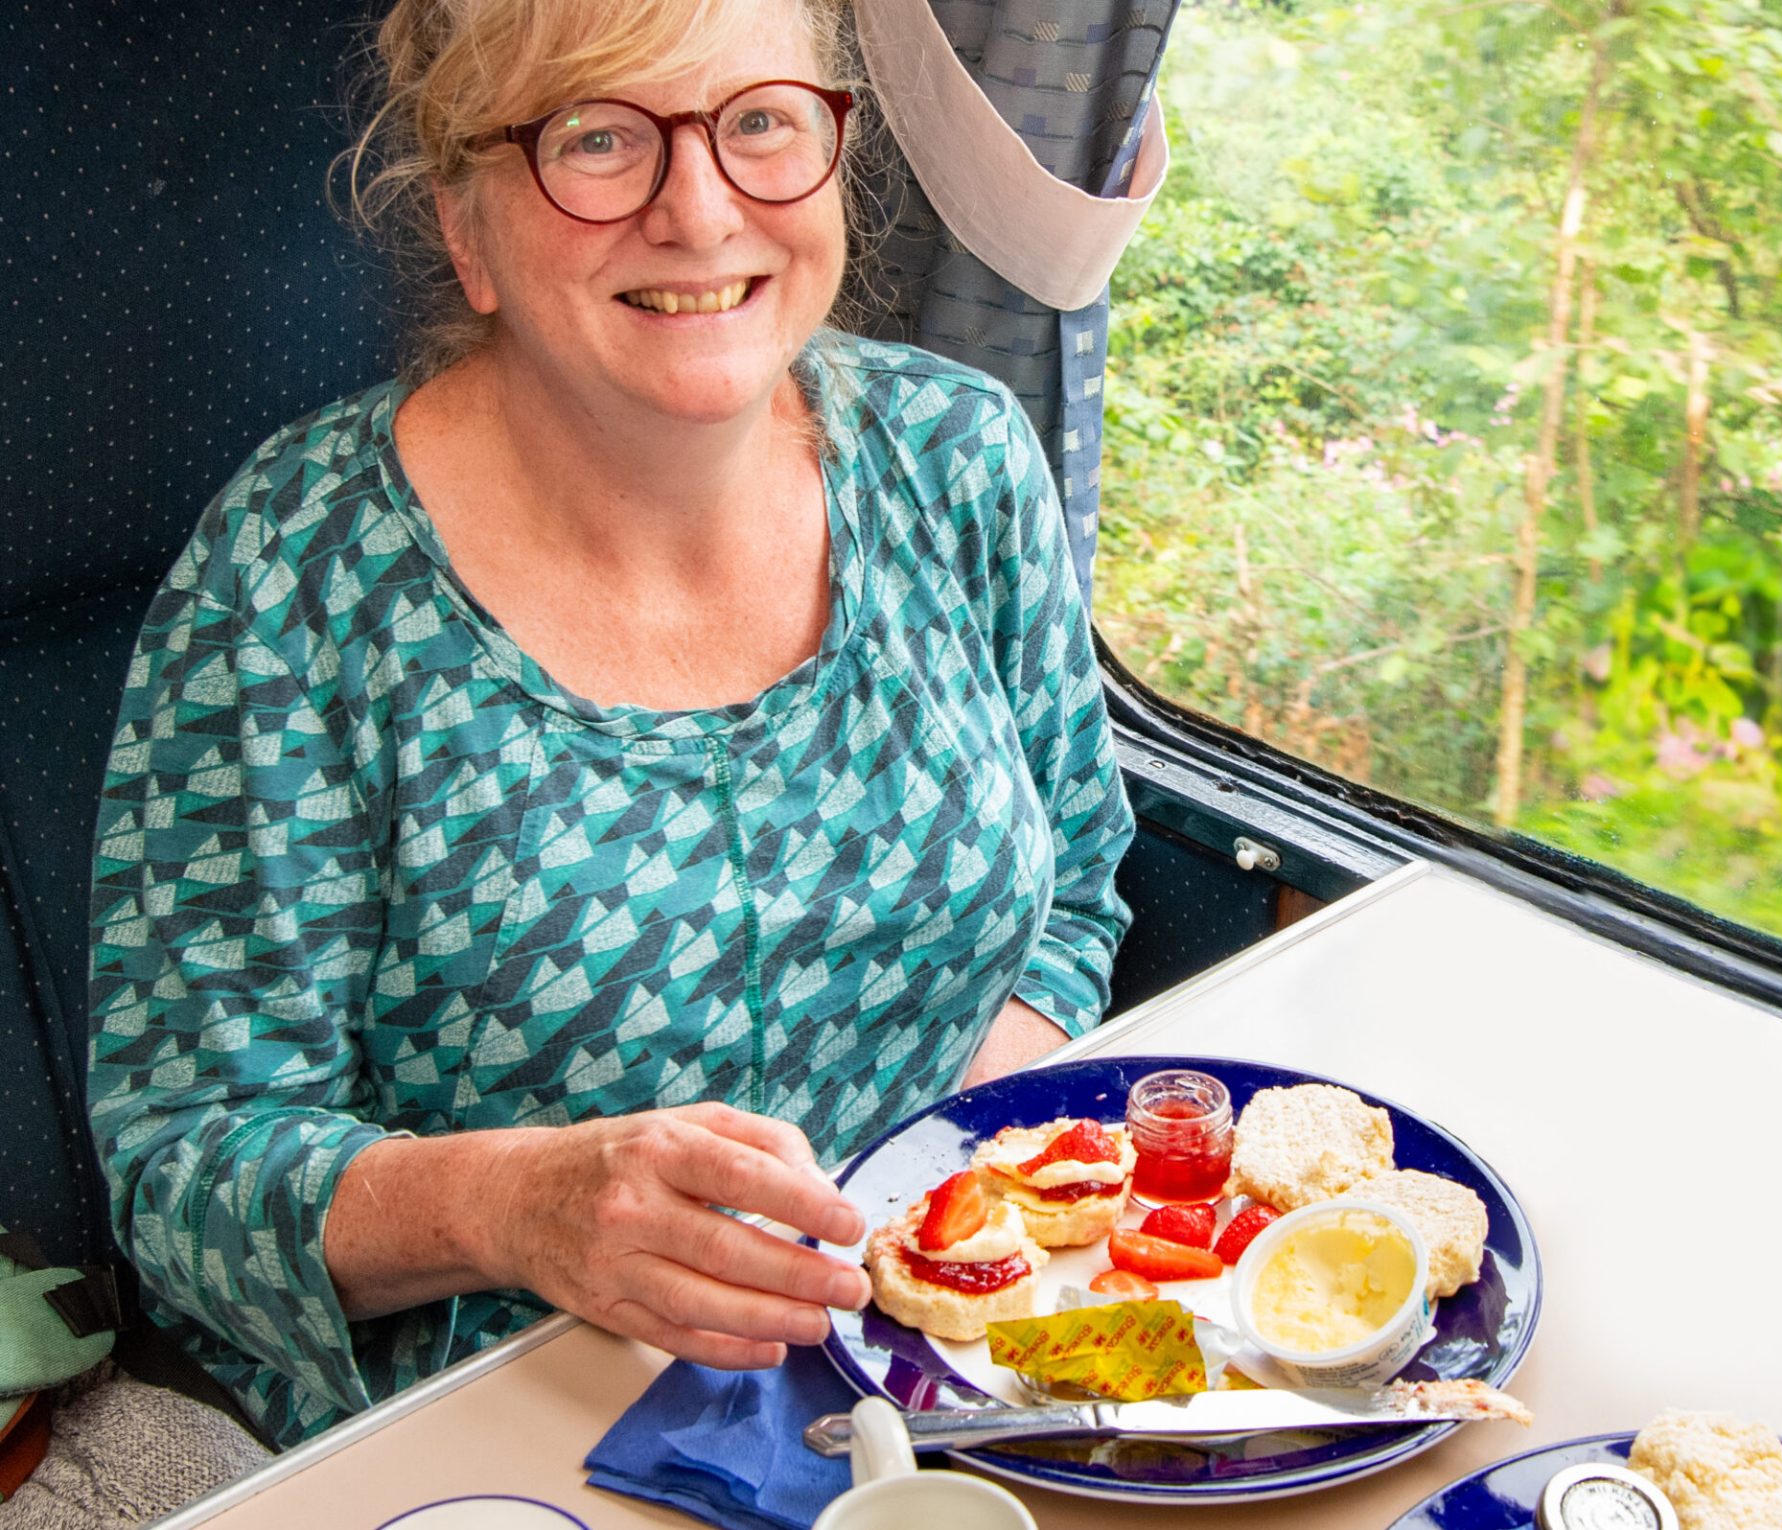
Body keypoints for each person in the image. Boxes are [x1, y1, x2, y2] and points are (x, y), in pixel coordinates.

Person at [84, 0, 1133, 1450]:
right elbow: (186, 1168)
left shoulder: (961, 458)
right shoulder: (292, 579)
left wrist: (951, 1204)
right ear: (466, 228)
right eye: (598, 138)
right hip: (496, 1422)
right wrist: (518, 1206)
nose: (698, 210)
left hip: (935, 1366)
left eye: (761, 121)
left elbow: (1076, 876)